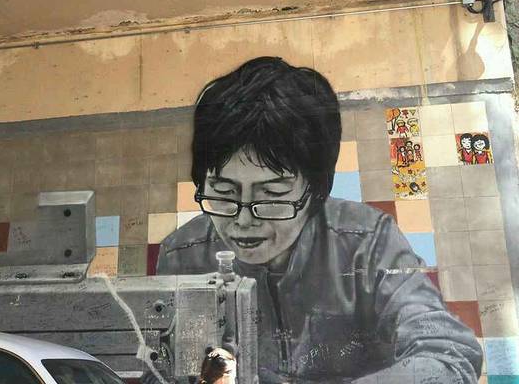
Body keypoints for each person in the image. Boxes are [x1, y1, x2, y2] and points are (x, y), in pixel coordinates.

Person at [157, 57, 482, 383]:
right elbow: (161, 371)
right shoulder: (182, 255)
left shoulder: (367, 243)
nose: (243, 220)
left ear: (314, 190)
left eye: (271, 195)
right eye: (224, 192)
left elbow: (447, 353)